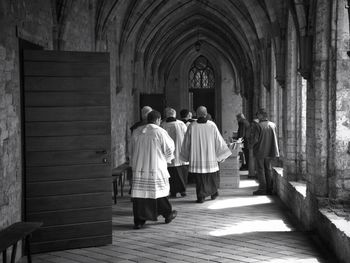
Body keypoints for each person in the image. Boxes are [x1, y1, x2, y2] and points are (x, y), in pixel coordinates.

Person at [130, 110, 177, 229]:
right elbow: (169, 148)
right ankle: (167, 214)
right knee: (158, 190)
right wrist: (168, 158)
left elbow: (131, 149)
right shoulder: (160, 132)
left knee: (140, 193)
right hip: (155, 167)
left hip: (139, 167)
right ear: (158, 120)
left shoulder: (137, 131)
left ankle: (139, 220)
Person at [180, 106, 232, 203]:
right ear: (206, 114)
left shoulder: (192, 126)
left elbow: (187, 142)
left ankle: (201, 196)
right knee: (211, 175)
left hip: (197, 157)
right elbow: (218, 141)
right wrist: (221, 154)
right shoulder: (211, 125)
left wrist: (186, 155)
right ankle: (213, 194)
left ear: (197, 114)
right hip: (210, 156)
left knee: (200, 178)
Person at [251, 108, 279, 195]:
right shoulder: (273, 125)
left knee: (260, 170)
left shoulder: (258, 126)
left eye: (258, 115)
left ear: (261, 115)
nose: (257, 116)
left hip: (260, 150)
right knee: (268, 169)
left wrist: (251, 144)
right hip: (270, 151)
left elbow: (255, 139)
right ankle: (269, 188)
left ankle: (262, 189)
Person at [161, 107, 188, 197]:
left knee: (171, 174)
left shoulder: (162, 125)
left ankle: (173, 191)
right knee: (182, 173)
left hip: (169, 154)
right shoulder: (181, 124)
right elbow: (187, 136)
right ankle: (182, 190)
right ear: (175, 115)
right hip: (180, 153)